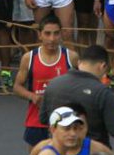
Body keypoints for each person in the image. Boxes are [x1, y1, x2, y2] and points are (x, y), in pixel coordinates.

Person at [39, 45, 114, 147]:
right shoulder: (102, 92)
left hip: (59, 152)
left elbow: (43, 119)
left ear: (79, 63)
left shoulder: (53, 83)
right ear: (103, 66)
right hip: (92, 154)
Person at [13, 15, 74, 147]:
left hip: (66, 120)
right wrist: (32, 96)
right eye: (47, 34)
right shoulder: (29, 58)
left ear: (61, 34)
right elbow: (17, 87)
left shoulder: (71, 57)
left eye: (56, 33)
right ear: (40, 35)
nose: (52, 39)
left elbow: (82, 85)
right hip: (36, 120)